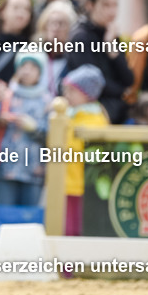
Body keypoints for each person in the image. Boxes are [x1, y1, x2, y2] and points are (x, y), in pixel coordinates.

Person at [0, 52, 52, 216]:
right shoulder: (7, 95)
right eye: (23, 66)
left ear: (41, 71)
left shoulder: (48, 100)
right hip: (6, 167)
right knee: (3, 214)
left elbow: (54, 137)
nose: (27, 71)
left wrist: (34, 128)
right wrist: (0, 120)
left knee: (29, 216)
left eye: (32, 67)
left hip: (34, 169)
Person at [64, 0, 134, 123]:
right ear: (90, 5)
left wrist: (111, 47)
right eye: (106, 5)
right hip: (90, 107)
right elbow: (91, 82)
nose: (112, 11)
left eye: (115, 5)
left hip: (115, 105)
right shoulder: (80, 36)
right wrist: (122, 91)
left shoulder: (111, 34)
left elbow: (129, 79)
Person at [61, 64, 109, 236]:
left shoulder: (95, 120)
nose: (66, 95)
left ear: (88, 94)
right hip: (65, 183)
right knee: (64, 230)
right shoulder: (68, 115)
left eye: (72, 91)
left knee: (78, 230)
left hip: (82, 186)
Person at [0, 0, 35, 102]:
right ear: (2, 11)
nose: (21, 13)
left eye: (26, 9)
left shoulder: (31, 49)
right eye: (16, 7)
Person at [36, 0, 77, 96]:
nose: (56, 28)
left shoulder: (75, 59)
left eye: (61, 24)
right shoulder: (34, 55)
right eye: (52, 23)